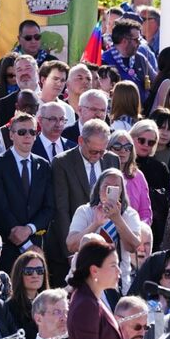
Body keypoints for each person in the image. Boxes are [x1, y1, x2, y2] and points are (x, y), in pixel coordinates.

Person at [49, 119, 119, 284]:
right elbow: (62, 209)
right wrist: (70, 250)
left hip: (106, 240)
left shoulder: (112, 160)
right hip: (75, 238)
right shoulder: (62, 162)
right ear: (81, 141)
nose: (99, 156)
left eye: (103, 151)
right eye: (94, 151)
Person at [0, 112, 53, 269]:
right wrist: (24, 242)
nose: (27, 136)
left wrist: (29, 230)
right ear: (11, 135)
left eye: (32, 132)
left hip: (36, 245)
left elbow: (49, 207)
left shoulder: (43, 165)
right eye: (22, 132)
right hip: (7, 245)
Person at [102, 19, 155, 104]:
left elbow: (154, 82)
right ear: (124, 41)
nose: (139, 43)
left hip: (141, 113)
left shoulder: (140, 58)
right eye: (137, 40)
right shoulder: (104, 61)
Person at [6, 251, 49, 339]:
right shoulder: (10, 307)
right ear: (19, 274)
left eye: (39, 270)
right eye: (28, 271)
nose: (35, 275)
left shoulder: (51, 302)